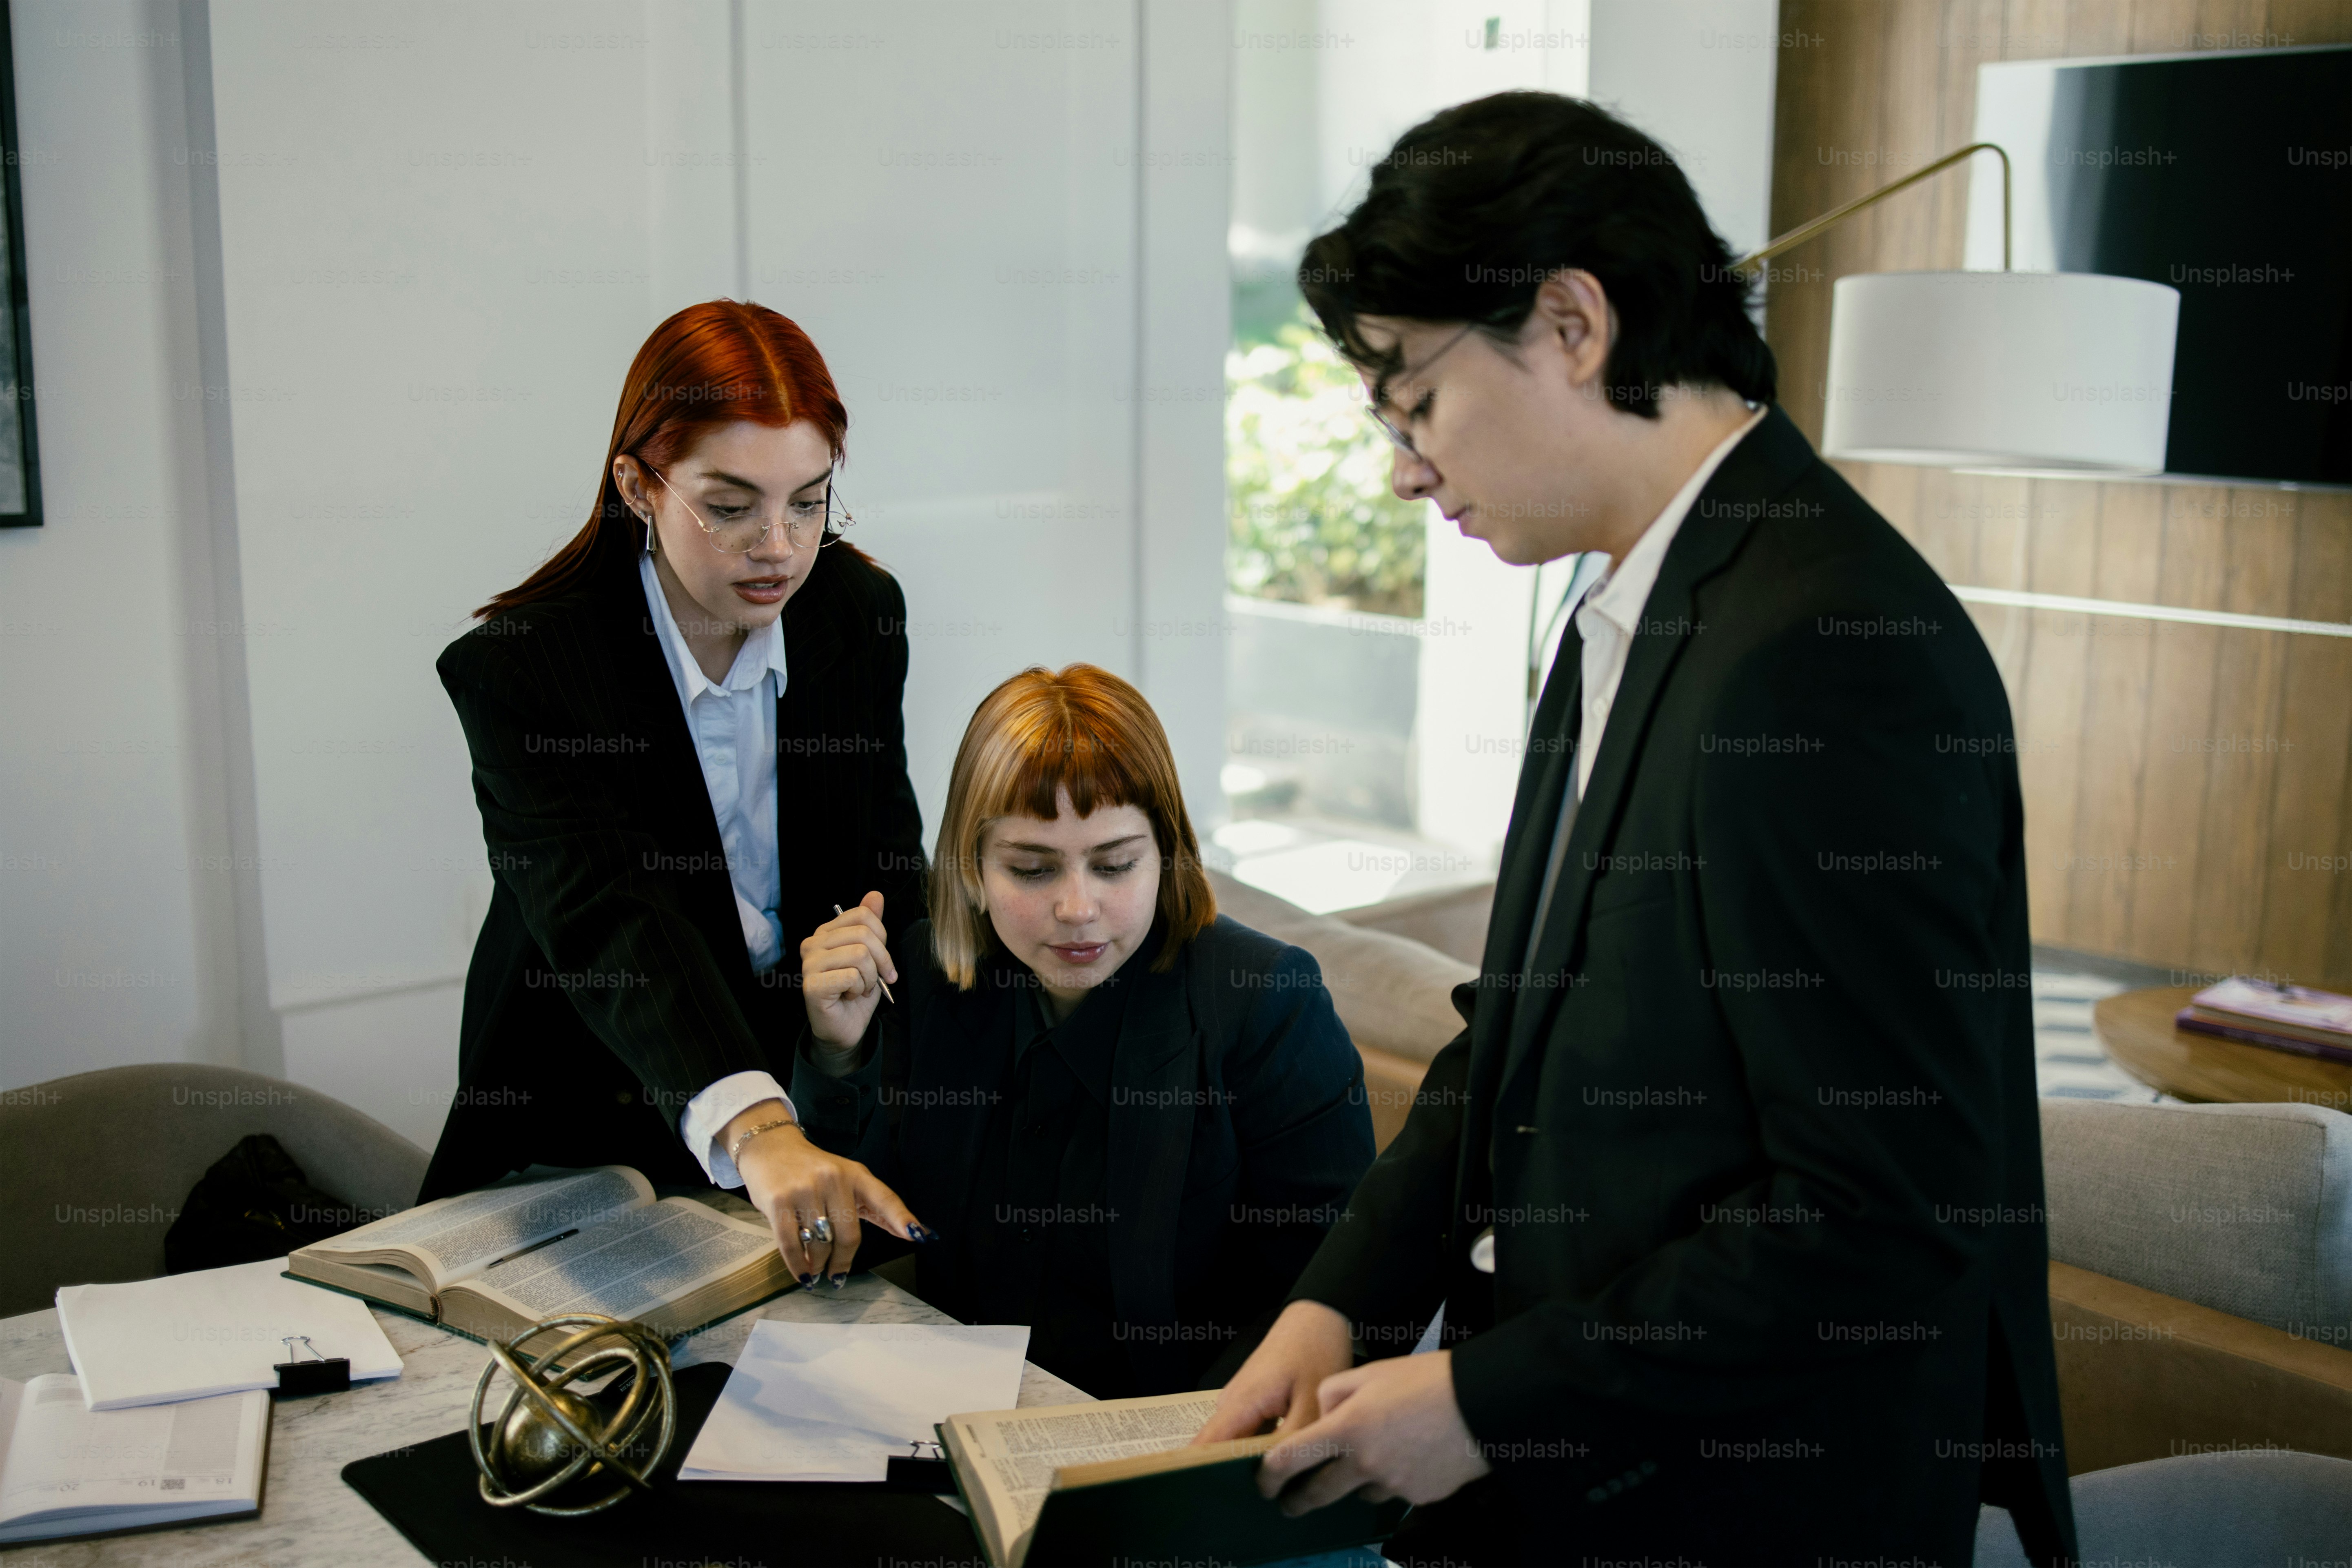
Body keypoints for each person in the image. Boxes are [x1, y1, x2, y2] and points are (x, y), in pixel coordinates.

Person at [1194, 92, 2077, 1566]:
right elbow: (1513, 1032)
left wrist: (1484, 1401)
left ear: (1569, 321)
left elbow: (1882, 1210)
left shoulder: (1832, 645)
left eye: (1413, 400)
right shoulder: (1622, 603)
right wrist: (1337, 1297)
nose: (1403, 468)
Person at [423, 301, 927, 1289]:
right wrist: (759, 1125)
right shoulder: (524, 672)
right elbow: (613, 919)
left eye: (810, 501)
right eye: (731, 507)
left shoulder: (857, 614)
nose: (779, 547)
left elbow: (888, 870)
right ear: (636, 485)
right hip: (583, 1137)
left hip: (812, 1118)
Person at [775, 663, 1377, 1397]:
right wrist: (838, 1053)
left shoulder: (1266, 1004)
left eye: (1115, 864)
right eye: (1032, 871)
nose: (1077, 908)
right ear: (972, 870)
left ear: (1167, 855)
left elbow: (1327, 1299)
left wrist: (1178, 1456)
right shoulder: (923, 980)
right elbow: (850, 1241)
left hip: (1173, 1439)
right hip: (944, 1415)